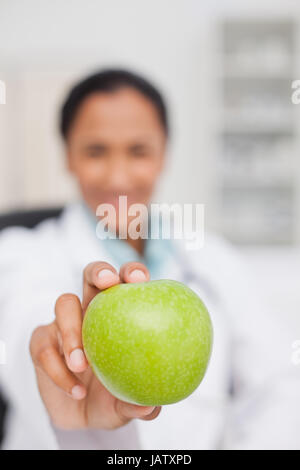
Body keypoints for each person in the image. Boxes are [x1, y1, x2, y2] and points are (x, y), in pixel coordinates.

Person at [0, 69, 299, 450]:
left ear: (163, 155)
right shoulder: (21, 254)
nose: (119, 177)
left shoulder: (215, 258)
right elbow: (23, 332)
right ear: (69, 157)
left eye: (138, 150)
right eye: (95, 151)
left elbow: (279, 383)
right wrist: (60, 364)